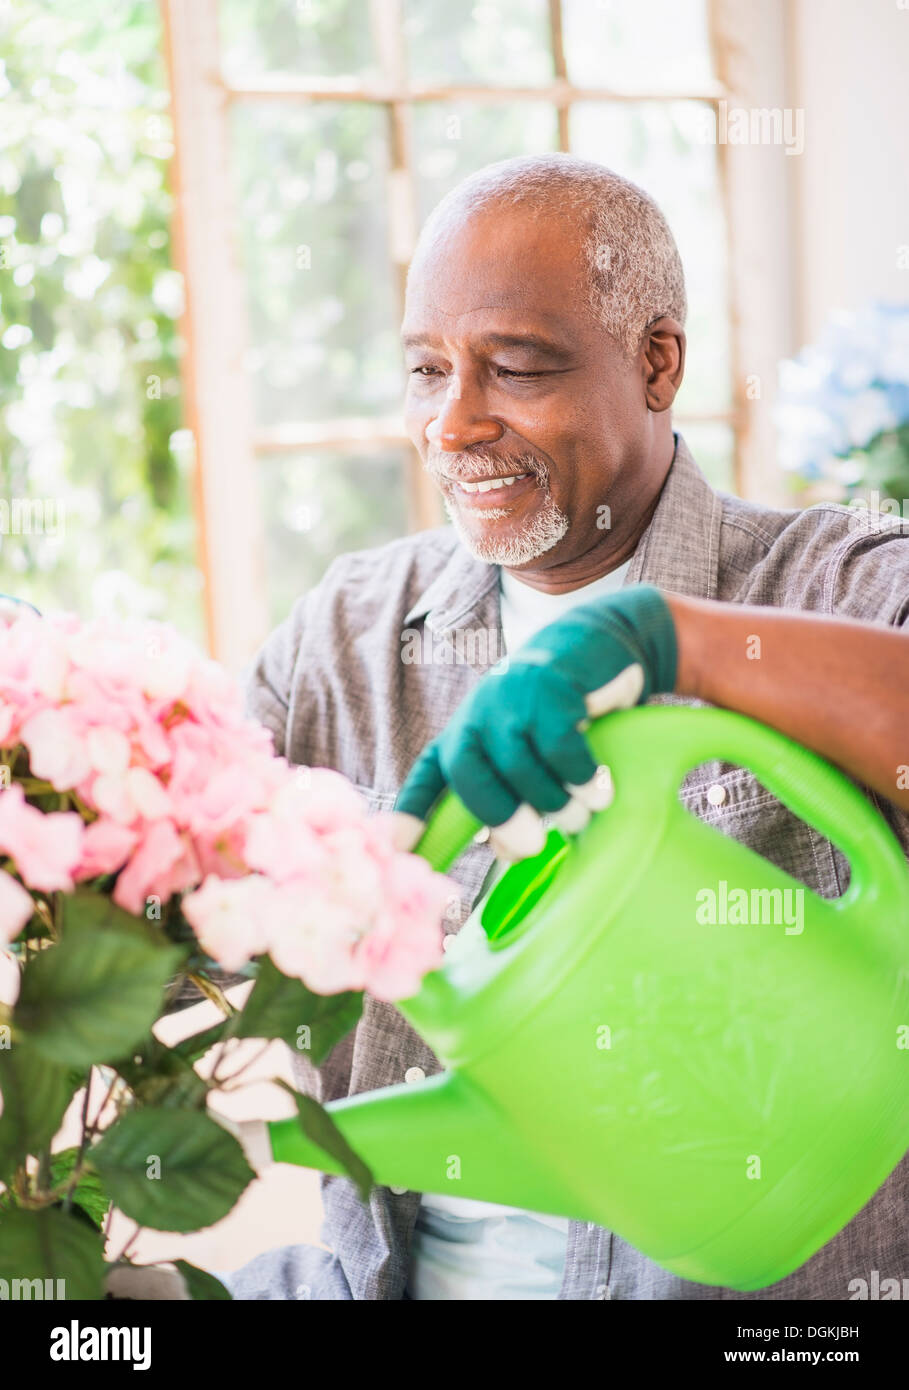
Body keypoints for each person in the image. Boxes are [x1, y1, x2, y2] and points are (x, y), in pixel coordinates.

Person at [221, 154, 909, 1300]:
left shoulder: (823, 582)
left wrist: (675, 642)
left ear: (657, 361)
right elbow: (173, 900)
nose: (456, 421)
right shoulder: (348, 636)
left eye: (519, 367)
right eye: (426, 370)